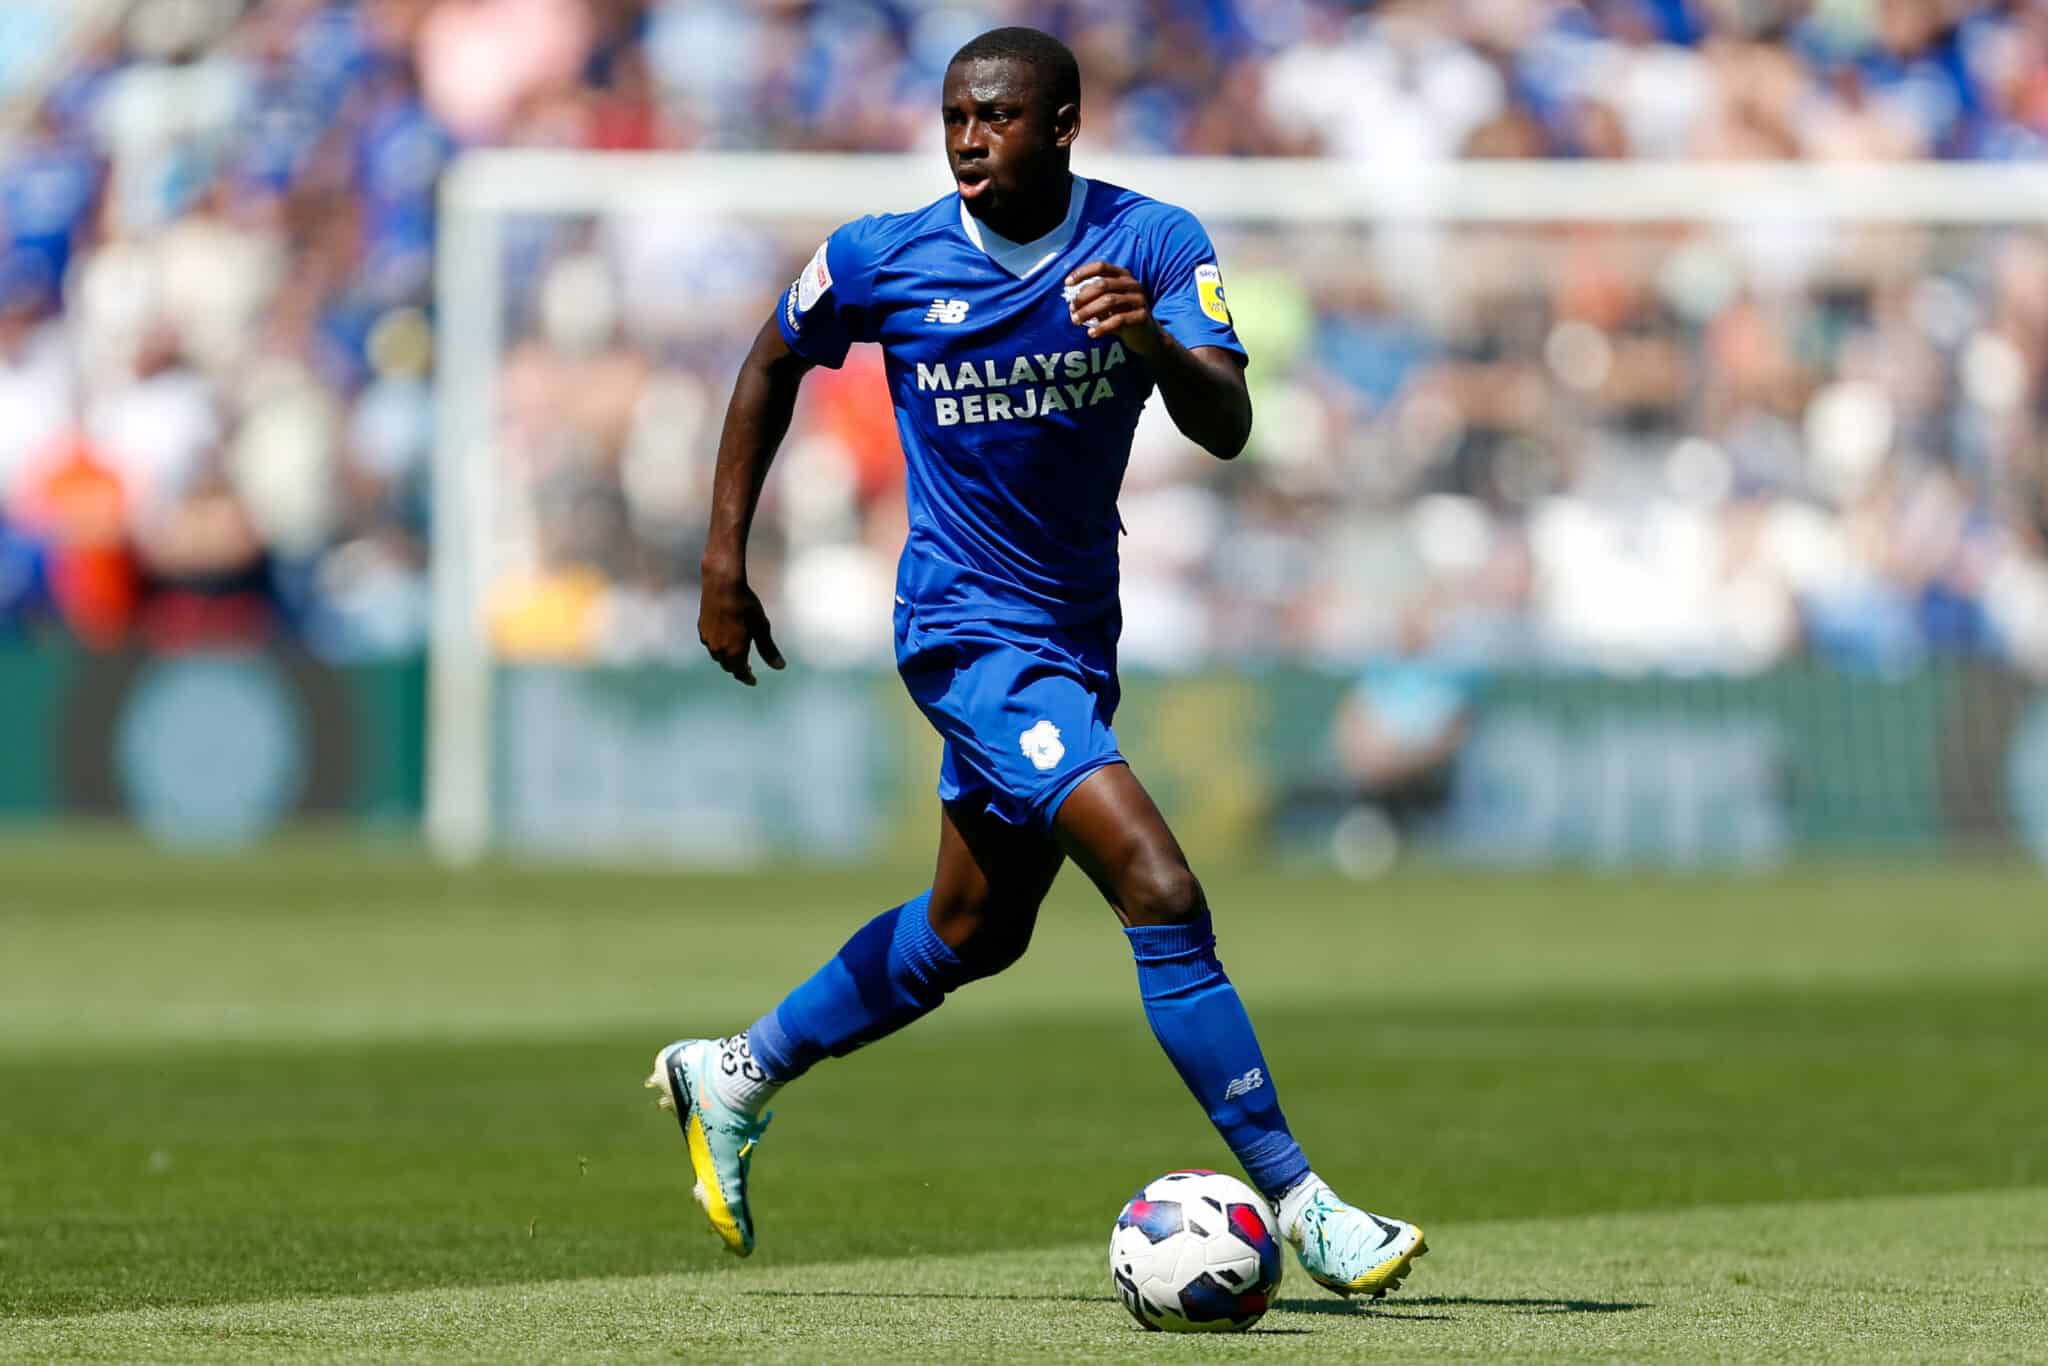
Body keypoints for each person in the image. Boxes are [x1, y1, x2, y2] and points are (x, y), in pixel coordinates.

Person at [652, 26, 1426, 1300]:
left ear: (1062, 125)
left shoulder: (1154, 244)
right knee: (1159, 886)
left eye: (995, 117)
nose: (966, 139)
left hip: (1073, 632)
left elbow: (1226, 424)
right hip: (965, 633)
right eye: (954, 115)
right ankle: (1304, 1204)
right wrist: (720, 562)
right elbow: (768, 361)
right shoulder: (879, 256)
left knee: (974, 928)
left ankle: (730, 1071)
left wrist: (1152, 346)